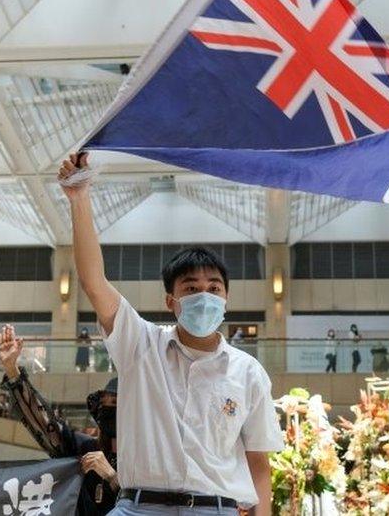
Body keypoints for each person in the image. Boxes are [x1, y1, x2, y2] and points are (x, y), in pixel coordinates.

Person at [59, 152, 283, 515]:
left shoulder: (248, 372)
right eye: (191, 289)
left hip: (216, 508)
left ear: (226, 299)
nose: (204, 296)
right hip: (139, 506)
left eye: (214, 288)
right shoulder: (141, 345)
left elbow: (258, 462)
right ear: (171, 300)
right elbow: (94, 282)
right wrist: (79, 198)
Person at [0, 325, 118, 515]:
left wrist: (112, 477)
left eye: (116, 403)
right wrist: (12, 371)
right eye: (106, 403)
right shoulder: (85, 449)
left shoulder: (146, 459)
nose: (109, 408)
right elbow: (44, 423)